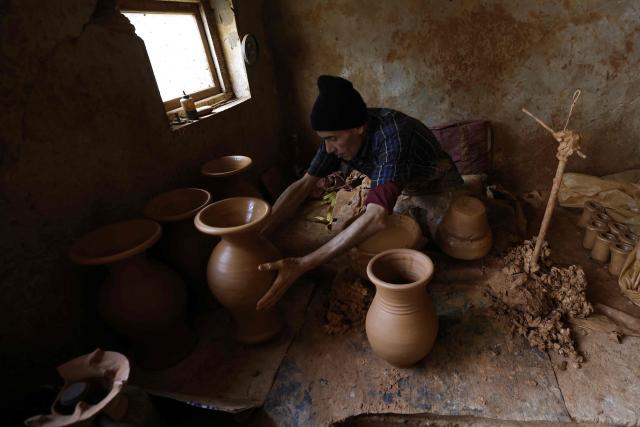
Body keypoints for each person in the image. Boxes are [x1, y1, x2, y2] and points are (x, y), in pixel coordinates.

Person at [256, 75, 462, 310]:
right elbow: (303, 185)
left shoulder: (394, 134)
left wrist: (304, 263)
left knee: (447, 242)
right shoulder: (337, 136)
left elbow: (376, 217)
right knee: (373, 243)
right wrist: (260, 234)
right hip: (402, 186)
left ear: (359, 128)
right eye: (323, 140)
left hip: (436, 184)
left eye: (332, 139)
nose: (328, 148)